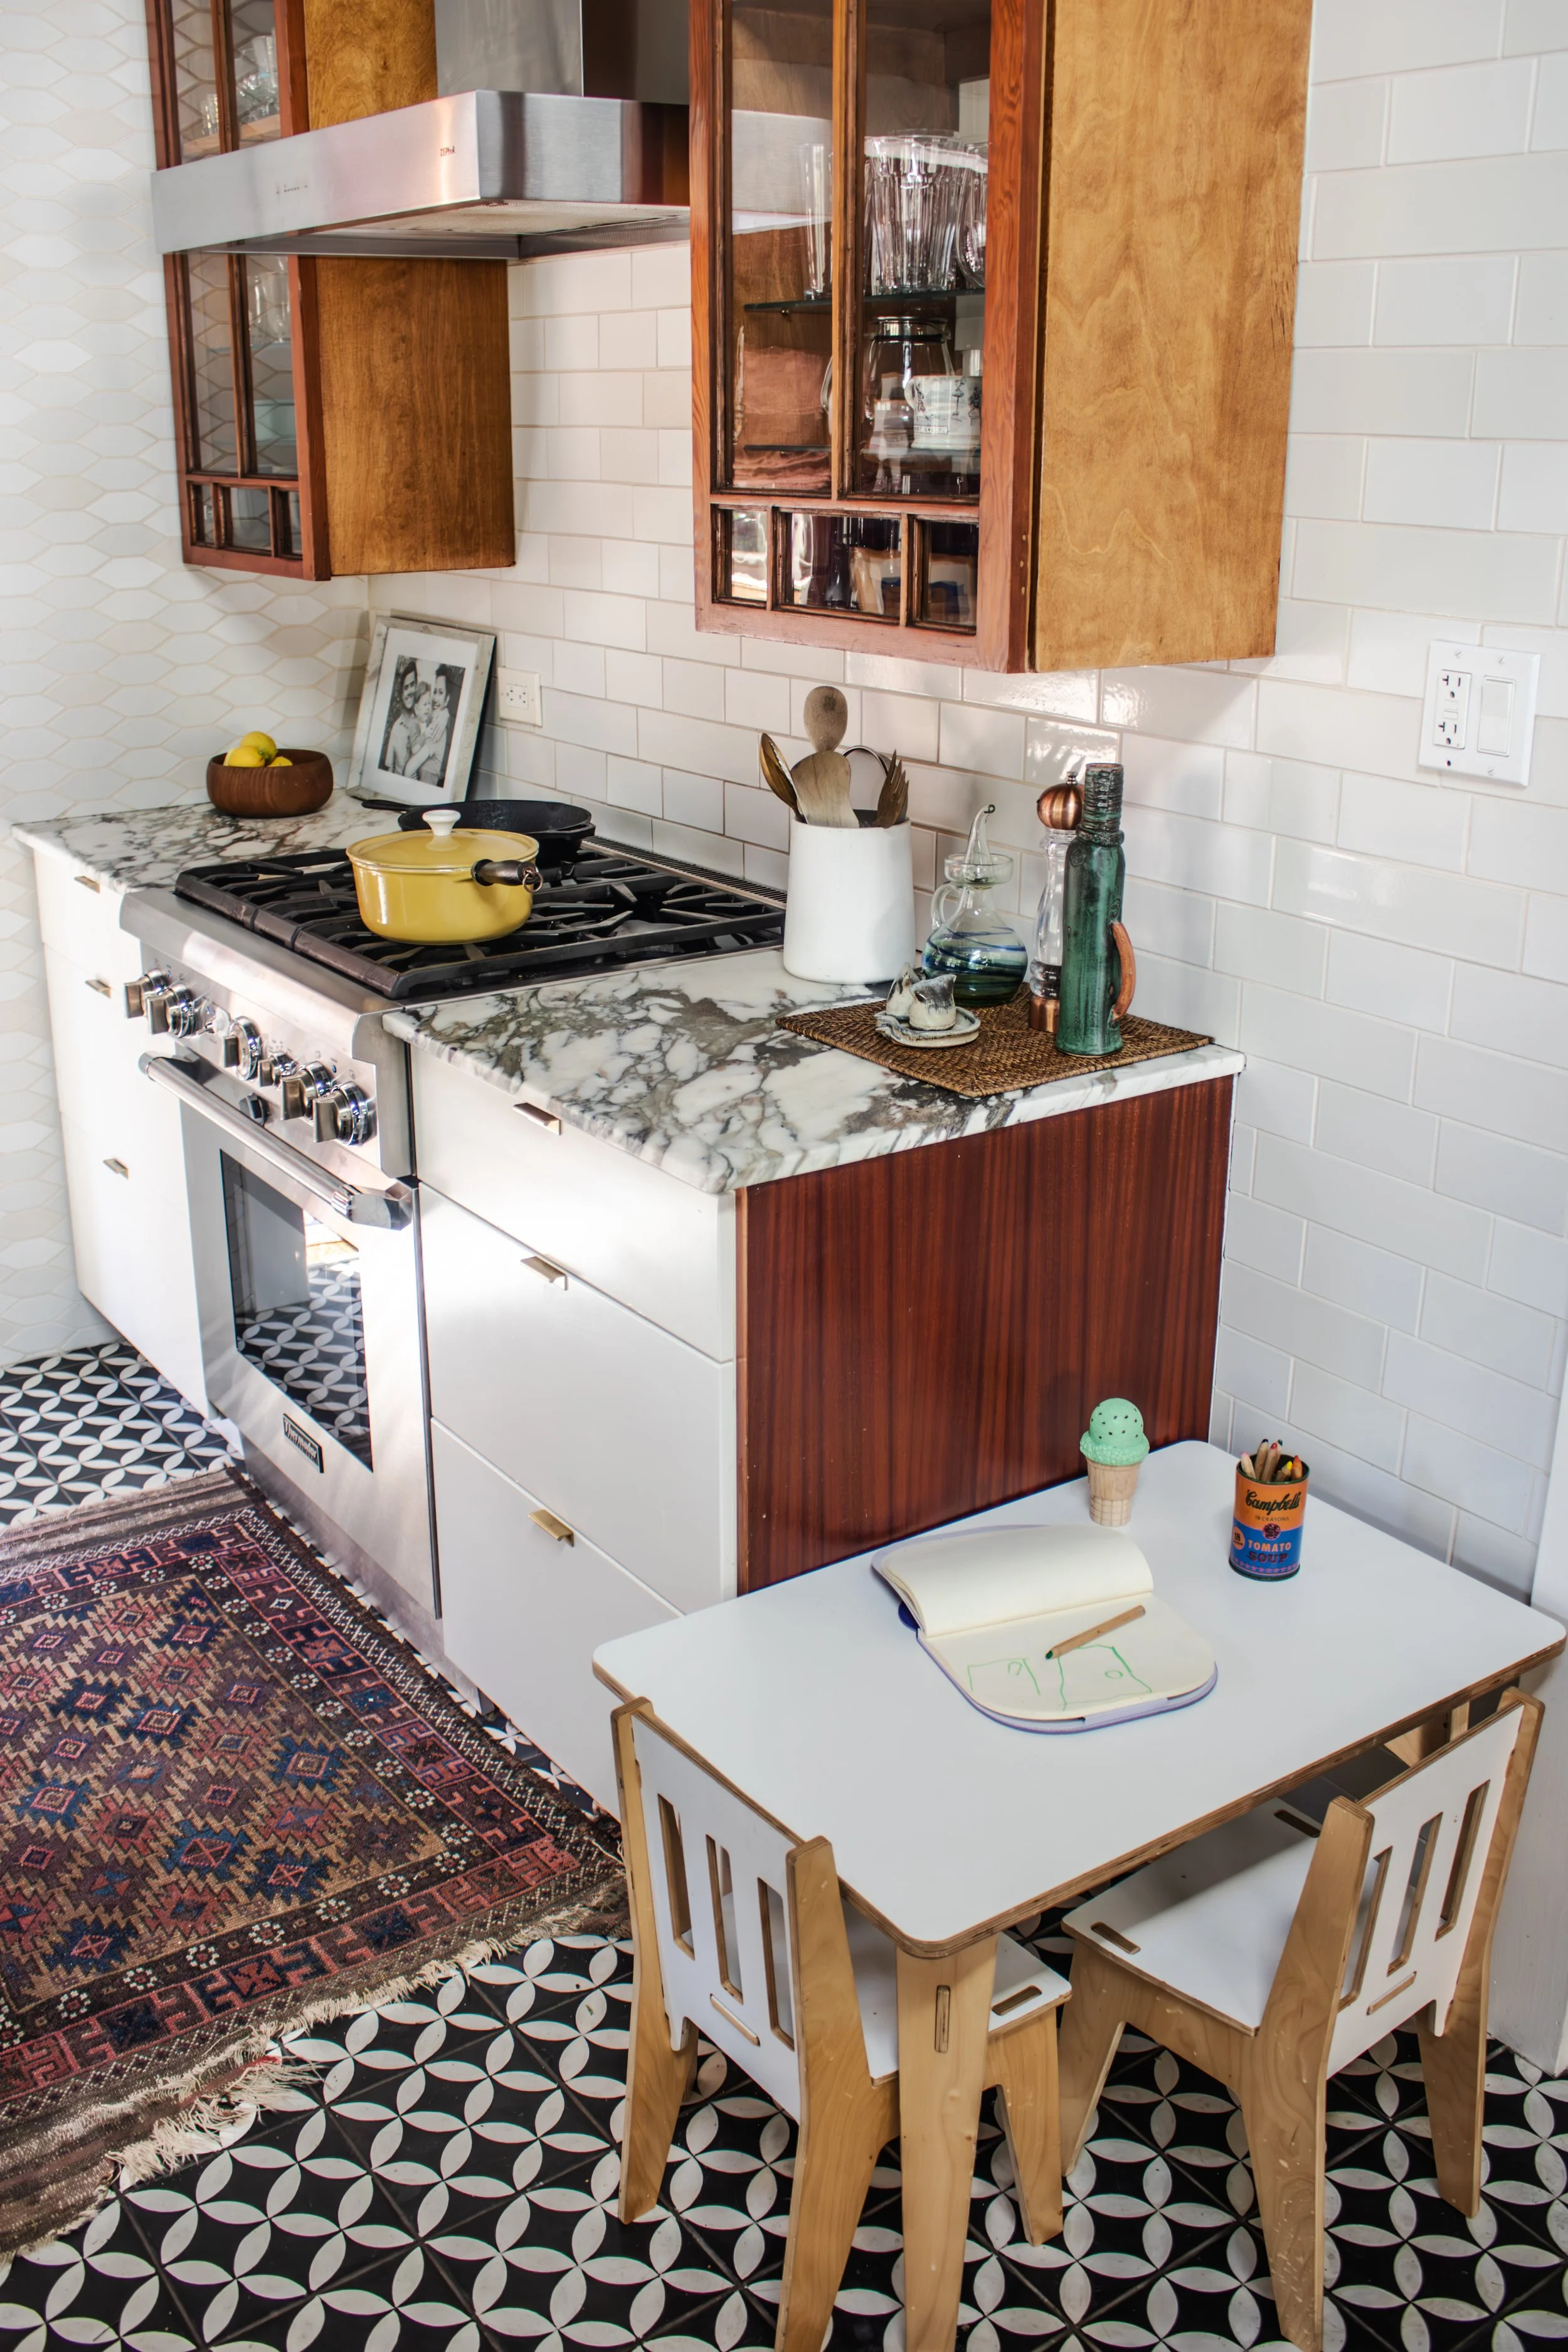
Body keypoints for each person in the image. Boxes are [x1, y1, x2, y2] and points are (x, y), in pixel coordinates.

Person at [409, 671, 453, 786]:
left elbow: (409, 769)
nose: (435, 698)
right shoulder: (429, 721)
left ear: (447, 699)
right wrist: (446, 713)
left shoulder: (437, 731)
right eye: (434, 692)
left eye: (441, 692)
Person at [381, 664, 422, 774]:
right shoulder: (396, 729)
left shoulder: (423, 720)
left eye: (412, 685)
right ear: (401, 694)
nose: (409, 692)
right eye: (406, 687)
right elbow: (390, 769)